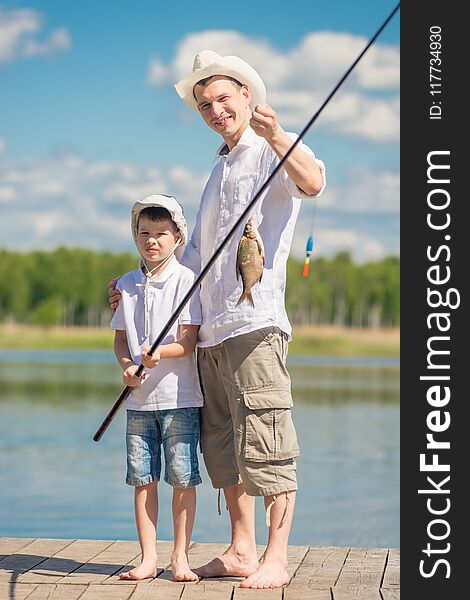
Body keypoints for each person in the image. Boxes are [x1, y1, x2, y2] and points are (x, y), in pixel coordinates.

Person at [109, 51, 326, 589]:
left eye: (224, 98)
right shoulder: (216, 169)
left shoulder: (271, 150)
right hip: (210, 333)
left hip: (256, 326)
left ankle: (276, 555)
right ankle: (241, 548)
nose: (215, 109)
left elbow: (315, 180)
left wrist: (279, 136)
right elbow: (193, 261)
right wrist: (134, 286)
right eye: (205, 104)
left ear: (248, 96)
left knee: (268, 438)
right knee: (224, 446)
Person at [110, 194, 203, 582]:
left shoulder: (186, 279)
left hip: (179, 398)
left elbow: (188, 341)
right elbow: (119, 341)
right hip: (139, 403)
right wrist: (128, 367)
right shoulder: (127, 284)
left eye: (161, 233)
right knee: (143, 480)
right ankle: (148, 559)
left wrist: (157, 353)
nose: (152, 241)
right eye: (144, 233)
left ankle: (180, 557)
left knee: (182, 479)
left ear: (177, 237)